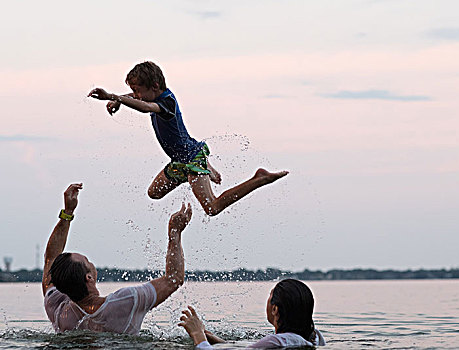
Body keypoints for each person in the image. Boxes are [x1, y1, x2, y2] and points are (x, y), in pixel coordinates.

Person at [88, 61, 288, 216]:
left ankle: (259, 178)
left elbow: (146, 107)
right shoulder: (153, 95)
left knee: (212, 208)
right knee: (154, 193)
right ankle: (202, 171)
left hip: (191, 159)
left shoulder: (166, 102)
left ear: (155, 86)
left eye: (139, 90)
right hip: (180, 161)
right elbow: (139, 98)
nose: (136, 95)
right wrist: (119, 100)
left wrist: (113, 96)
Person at [42, 183, 192, 334]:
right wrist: (175, 234)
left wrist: (67, 213)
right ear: (89, 277)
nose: (92, 263)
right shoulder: (124, 302)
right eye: (87, 261)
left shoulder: (57, 308)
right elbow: (174, 279)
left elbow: (50, 258)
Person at [178, 279, 326, 348]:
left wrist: (198, 335)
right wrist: (216, 341)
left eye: (270, 295)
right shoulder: (316, 337)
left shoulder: (276, 342)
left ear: (275, 309)